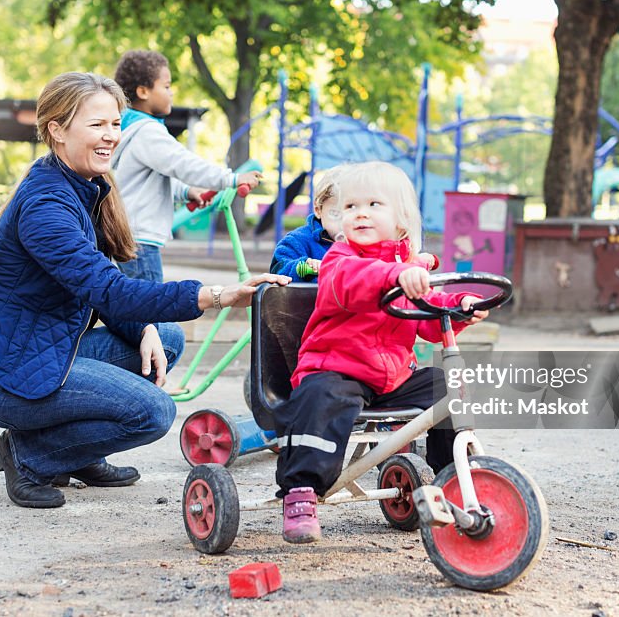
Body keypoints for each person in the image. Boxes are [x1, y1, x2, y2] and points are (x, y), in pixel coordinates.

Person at [0, 72, 290, 509]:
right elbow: (108, 290)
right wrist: (217, 294)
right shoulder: (46, 207)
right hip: (3, 374)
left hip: (43, 348)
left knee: (162, 338)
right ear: (57, 130)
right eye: (97, 125)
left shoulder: (82, 185)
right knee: (153, 413)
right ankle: (29, 455)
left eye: (115, 124)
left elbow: (103, 286)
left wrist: (143, 327)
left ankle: (79, 452)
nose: (111, 136)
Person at [272, 161, 488, 543]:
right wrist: (394, 276)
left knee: (447, 387)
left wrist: (460, 307)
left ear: (402, 221)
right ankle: (301, 490)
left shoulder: (407, 267)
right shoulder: (340, 259)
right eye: (351, 206)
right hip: (336, 368)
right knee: (322, 398)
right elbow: (350, 283)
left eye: (374, 204)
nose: (360, 213)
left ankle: (453, 479)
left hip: (390, 378)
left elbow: (428, 316)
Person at [112, 50, 262, 282]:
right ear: (143, 91)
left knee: (133, 309)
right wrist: (231, 179)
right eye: (167, 86)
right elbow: (184, 164)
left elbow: (150, 179)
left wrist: (186, 191)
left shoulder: (127, 128)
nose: (171, 93)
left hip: (127, 235)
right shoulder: (147, 132)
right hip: (140, 242)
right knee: (150, 311)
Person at [270, 164, 439, 282]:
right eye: (339, 212)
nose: (348, 219)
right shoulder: (298, 240)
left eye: (352, 209)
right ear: (318, 209)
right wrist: (305, 267)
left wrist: (415, 262)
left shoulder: (366, 240)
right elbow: (278, 271)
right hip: (302, 315)